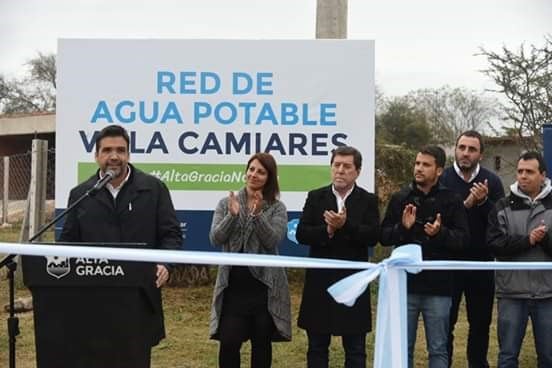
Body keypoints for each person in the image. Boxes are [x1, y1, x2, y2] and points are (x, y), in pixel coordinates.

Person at [59, 124, 183, 368]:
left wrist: (165, 263)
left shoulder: (153, 189)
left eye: (120, 150)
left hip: (137, 297)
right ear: (96, 156)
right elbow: (68, 243)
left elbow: (171, 235)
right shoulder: (81, 194)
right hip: (92, 299)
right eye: (106, 150)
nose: (114, 156)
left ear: (128, 154)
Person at [380, 145, 468, 368]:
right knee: (403, 346)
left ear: (439, 170)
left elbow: (463, 240)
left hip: (439, 287)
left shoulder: (452, 200)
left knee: (438, 348)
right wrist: (403, 228)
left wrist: (440, 234)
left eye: (426, 165)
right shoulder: (400, 198)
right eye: (417, 163)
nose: (419, 168)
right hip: (404, 286)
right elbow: (383, 236)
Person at [296, 146, 380, 368]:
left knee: (355, 350)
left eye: (347, 166)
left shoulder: (368, 200)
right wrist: (328, 231)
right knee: (316, 348)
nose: (340, 171)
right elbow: (301, 233)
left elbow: (373, 236)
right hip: (319, 283)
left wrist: (346, 226)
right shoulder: (316, 197)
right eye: (336, 165)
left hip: (354, 282)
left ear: (358, 171)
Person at [209, 152, 291, 368]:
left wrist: (258, 216)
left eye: (261, 172)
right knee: (228, 343)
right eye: (251, 169)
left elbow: (272, 240)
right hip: (233, 287)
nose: (254, 175)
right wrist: (232, 216)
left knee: (261, 345)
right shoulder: (226, 203)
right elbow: (215, 238)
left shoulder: (277, 207)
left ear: (269, 177)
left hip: (264, 289)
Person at [440, 130, 505, 368]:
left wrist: (484, 202)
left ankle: (477, 363)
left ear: (481, 154)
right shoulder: (443, 179)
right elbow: (440, 221)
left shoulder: (493, 181)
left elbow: (500, 222)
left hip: (481, 264)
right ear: (455, 149)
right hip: (449, 263)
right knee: (446, 322)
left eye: (472, 149)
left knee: (480, 322)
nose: (466, 153)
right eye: (462, 148)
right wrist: (466, 204)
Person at [487, 151, 552, 368]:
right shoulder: (501, 206)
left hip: (548, 293)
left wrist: (544, 241)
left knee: (549, 357)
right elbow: (495, 245)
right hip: (511, 294)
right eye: (520, 171)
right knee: (507, 357)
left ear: (542, 175)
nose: (523, 176)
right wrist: (528, 241)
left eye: (530, 172)